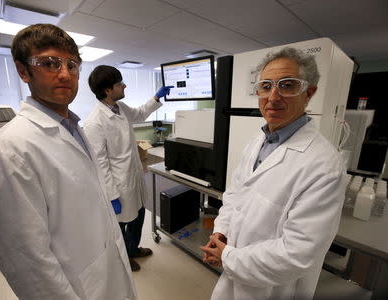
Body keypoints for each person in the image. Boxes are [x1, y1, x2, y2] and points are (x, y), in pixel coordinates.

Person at [0, 24, 136, 300]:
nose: (65, 74)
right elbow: (28, 265)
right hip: (77, 286)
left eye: (72, 65)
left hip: (105, 268)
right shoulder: (9, 152)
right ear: (24, 71)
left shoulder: (73, 128)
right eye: (49, 63)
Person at [200, 47, 346, 300]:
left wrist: (227, 256)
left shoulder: (324, 165)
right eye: (266, 86)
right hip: (235, 270)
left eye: (287, 85)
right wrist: (220, 232)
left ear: (309, 92)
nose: (273, 97)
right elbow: (235, 194)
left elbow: (298, 252)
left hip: (276, 289)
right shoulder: (260, 139)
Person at [84, 65, 172, 271]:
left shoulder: (120, 108)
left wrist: (156, 98)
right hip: (119, 185)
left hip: (134, 176)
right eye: (119, 83)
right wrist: (112, 195)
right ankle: (123, 257)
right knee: (121, 224)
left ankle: (133, 249)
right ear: (107, 90)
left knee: (139, 216)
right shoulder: (95, 122)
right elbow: (100, 162)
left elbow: (140, 114)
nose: (124, 85)